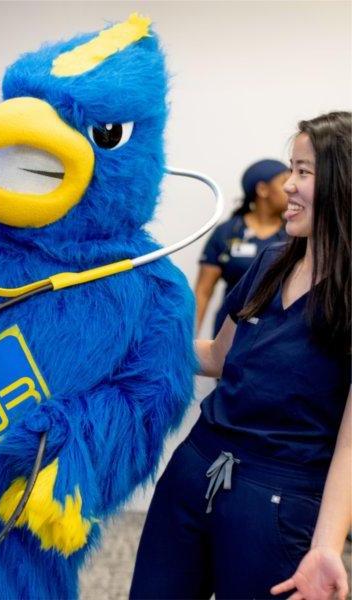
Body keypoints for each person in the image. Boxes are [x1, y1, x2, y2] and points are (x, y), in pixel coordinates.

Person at [130, 111, 351, 599]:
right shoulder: (271, 261)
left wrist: (327, 546)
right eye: (290, 168)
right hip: (195, 469)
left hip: (277, 500)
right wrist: (126, 342)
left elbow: (351, 447)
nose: (287, 185)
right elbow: (216, 356)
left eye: (303, 172)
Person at [195, 159, 290, 336]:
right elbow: (203, 291)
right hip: (229, 335)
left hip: (274, 336)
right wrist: (187, 343)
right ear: (262, 189)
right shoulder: (227, 232)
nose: (292, 188)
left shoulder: (295, 235)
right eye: (285, 182)